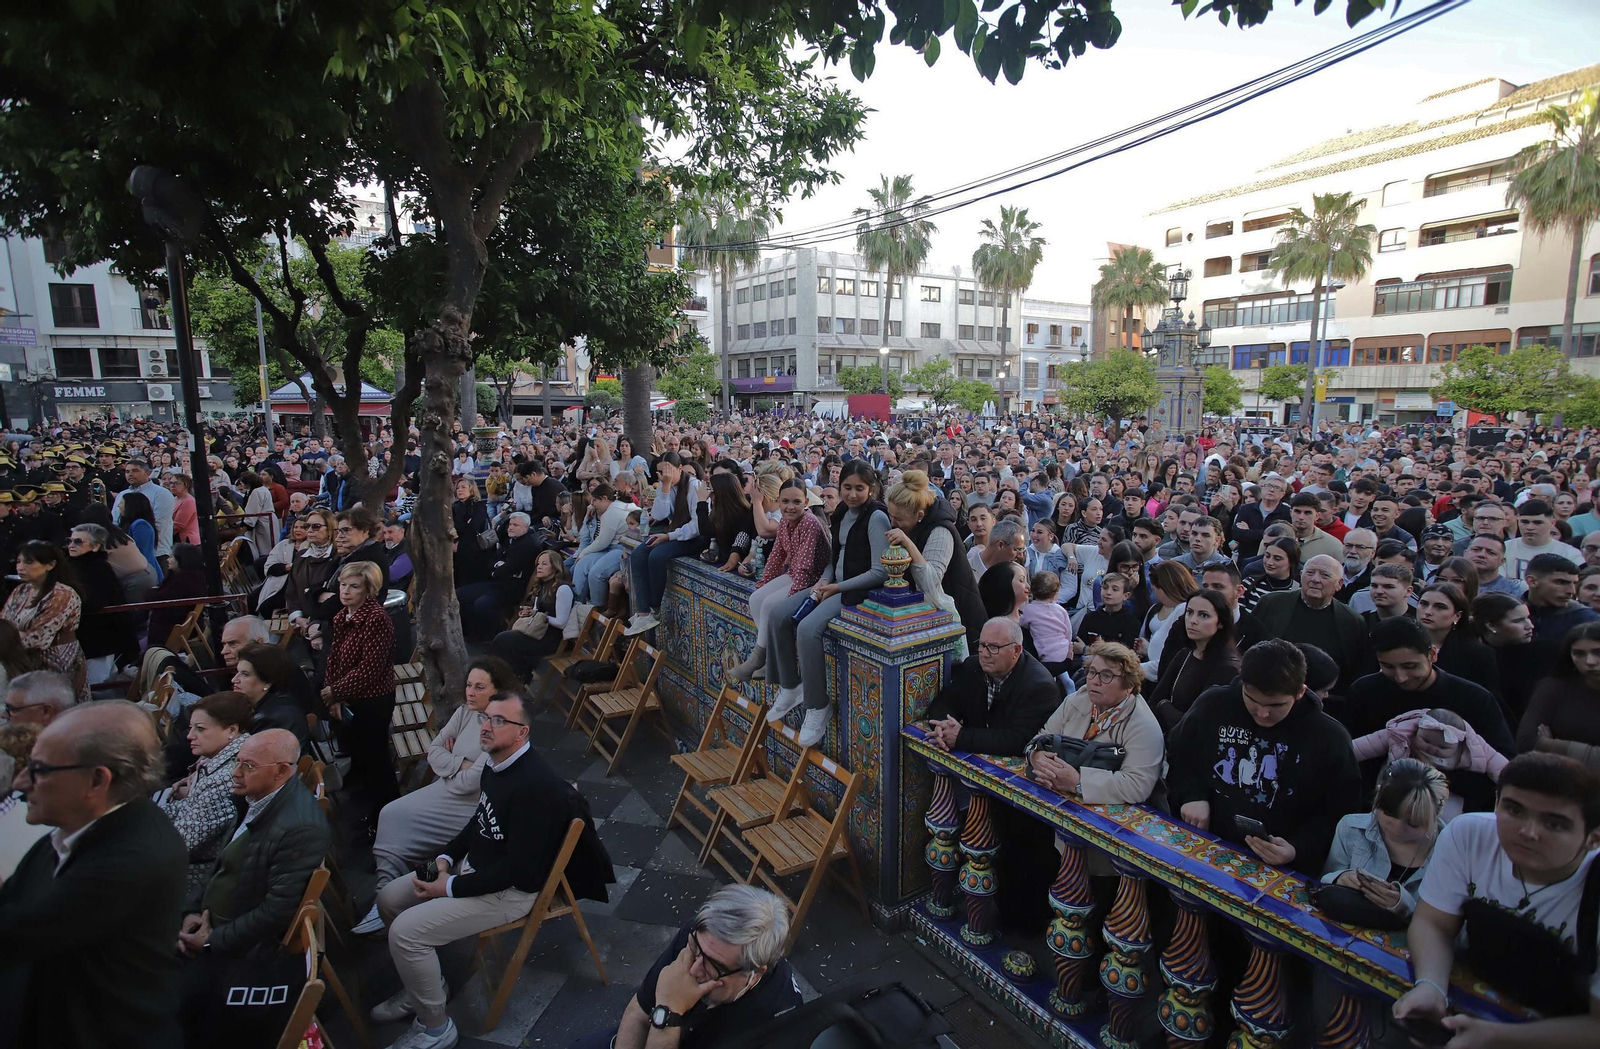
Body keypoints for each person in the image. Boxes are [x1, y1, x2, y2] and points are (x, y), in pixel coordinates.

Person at [368, 690, 612, 1049]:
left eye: (499, 721)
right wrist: (444, 860)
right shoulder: (495, 765)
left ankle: (436, 1028)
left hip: (506, 894)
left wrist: (447, 887)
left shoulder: (535, 789)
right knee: (388, 897)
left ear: (522, 733)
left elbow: (521, 872)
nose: (486, 727)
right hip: (469, 870)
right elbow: (478, 822)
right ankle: (424, 986)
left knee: (405, 933)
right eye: (486, 718)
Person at [0, 700, 187, 1049]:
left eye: (38, 770)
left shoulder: (132, 860)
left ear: (97, 780)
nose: (22, 782)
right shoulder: (86, 824)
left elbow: (16, 934)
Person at [1392, 753, 1600, 1038]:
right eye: (1514, 810)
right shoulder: (1468, 835)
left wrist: (1496, 1039)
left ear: (1594, 837)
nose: (1528, 832)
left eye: (1554, 824)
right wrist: (1431, 986)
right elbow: (1434, 922)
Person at [178, 729, 331, 1047]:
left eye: (247, 765)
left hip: (239, 950)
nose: (235, 772)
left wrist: (211, 941)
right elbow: (222, 865)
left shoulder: (298, 826)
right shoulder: (257, 799)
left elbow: (277, 911)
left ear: (281, 771)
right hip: (215, 927)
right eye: (237, 762)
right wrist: (191, 911)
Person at [355, 655, 522, 936]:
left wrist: (450, 765)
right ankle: (385, 889)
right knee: (391, 813)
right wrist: (459, 764)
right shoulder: (466, 711)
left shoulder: (502, 727)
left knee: (401, 821)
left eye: (479, 687)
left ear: (499, 690)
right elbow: (433, 751)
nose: (470, 692)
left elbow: (472, 784)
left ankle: (392, 900)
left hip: (470, 806)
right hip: (446, 788)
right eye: (469, 685)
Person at [1167, 638, 1361, 872]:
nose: (1262, 713)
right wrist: (1191, 795)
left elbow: (1339, 811)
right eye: (1252, 700)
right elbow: (1179, 752)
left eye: (1276, 705)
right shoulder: (1213, 703)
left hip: (1277, 863)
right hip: (1205, 841)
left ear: (1300, 692)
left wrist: (1298, 848)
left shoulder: (1331, 738)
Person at [570, 884, 801, 1049]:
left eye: (715, 967)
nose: (693, 969)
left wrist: (669, 1013)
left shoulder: (773, 1024)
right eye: (694, 949)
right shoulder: (703, 939)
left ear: (753, 975)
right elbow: (638, 1012)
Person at [766, 461, 888, 746]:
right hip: (833, 584)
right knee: (777, 615)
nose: (853, 494)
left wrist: (836, 587)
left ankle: (817, 705)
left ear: (871, 489)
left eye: (860, 488)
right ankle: (789, 685)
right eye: (847, 487)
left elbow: (879, 571)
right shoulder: (843, 511)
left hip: (857, 593)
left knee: (808, 629)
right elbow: (836, 558)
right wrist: (824, 580)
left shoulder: (876, 517)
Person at [1341, 617, 1516, 814]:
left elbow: (1504, 766)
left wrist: (1438, 774)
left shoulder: (1474, 699)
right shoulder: (1364, 692)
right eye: (1388, 667)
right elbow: (1350, 757)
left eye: (1410, 666)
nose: (1400, 677)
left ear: (1432, 654)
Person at [1027, 641, 1164, 804]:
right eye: (1092, 672)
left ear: (1129, 684)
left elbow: (1136, 785)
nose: (1094, 681)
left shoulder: (1143, 725)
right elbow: (1039, 739)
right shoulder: (1076, 700)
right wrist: (1036, 757)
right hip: (1056, 797)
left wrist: (1078, 783)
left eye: (1106, 675)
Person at [1321, 758, 1448, 923]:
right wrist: (1340, 878)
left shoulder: (1451, 854)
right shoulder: (1351, 828)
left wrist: (1404, 906)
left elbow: (1452, 932)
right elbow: (1322, 882)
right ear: (1378, 797)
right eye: (1389, 813)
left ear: (1435, 816)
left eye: (1412, 824)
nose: (1396, 827)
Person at [324, 560, 399, 824]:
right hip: (349, 696)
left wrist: (334, 691)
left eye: (354, 586)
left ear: (369, 590)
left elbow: (369, 670)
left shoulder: (377, 620)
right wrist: (334, 692)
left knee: (377, 756)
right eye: (343, 585)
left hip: (374, 699)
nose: (345, 591)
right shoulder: (342, 616)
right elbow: (333, 657)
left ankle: (386, 811)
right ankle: (364, 798)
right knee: (359, 751)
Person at [880, 470, 986, 655]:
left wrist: (908, 543)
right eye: (891, 516)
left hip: (960, 624)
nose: (893, 522)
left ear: (919, 515)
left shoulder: (940, 531)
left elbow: (930, 582)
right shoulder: (915, 523)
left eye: (898, 519)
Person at [732, 479, 827, 682]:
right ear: (778, 501)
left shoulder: (810, 523)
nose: (790, 507)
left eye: (796, 502)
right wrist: (765, 582)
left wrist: (790, 599)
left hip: (813, 580)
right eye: (785, 501)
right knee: (757, 599)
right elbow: (777, 555)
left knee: (770, 604)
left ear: (806, 502)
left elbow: (806, 566)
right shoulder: (784, 521)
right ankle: (768, 655)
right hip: (796, 574)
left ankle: (759, 658)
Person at [159, 690, 252, 895]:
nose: (189, 735)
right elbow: (189, 809)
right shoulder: (222, 758)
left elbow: (178, 844)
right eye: (191, 727)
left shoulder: (226, 777)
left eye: (199, 729)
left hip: (203, 880)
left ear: (231, 730)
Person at [924, 617, 1058, 757]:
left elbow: (1020, 741)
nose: (985, 654)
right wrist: (942, 727)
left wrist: (961, 737)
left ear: (1016, 651)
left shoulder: (1039, 687)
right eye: (982, 645)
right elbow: (945, 702)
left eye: (994, 647)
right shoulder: (972, 667)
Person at [1254, 554, 1366, 692]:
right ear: (1301, 575)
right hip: (1270, 687)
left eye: (1325, 575)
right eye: (1310, 573)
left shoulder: (1351, 620)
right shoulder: (1271, 603)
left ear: (1339, 584)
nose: (1315, 579)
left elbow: (1355, 666)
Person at [624, 451, 705, 637]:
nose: (662, 476)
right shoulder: (665, 485)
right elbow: (660, 514)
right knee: (638, 554)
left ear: (680, 469)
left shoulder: (695, 486)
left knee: (657, 556)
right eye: (660, 473)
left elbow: (697, 525)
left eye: (667, 472)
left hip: (692, 537)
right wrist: (666, 486)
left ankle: (654, 607)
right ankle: (644, 612)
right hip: (673, 532)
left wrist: (669, 537)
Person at [3, 540, 88, 702]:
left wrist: (11, 637)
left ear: (50, 565)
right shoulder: (21, 590)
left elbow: (40, 637)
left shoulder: (63, 594)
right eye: (19, 562)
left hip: (56, 660)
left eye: (29, 562)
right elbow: (4, 624)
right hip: (20, 659)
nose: (20, 567)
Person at [1149, 588, 1242, 734]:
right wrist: (1163, 705)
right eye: (1189, 612)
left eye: (1204, 615)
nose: (1193, 621)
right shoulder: (1185, 654)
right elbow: (1154, 702)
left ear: (1220, 623)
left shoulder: (1227, 668)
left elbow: (1195, 724)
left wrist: (1164, 704)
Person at [1518, 622, 1600, 772]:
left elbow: (1538, 744)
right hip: (1564, 781)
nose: (1590, 662)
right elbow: (1526, 742)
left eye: (1598, 652)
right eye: (1579, 654)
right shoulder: (1553, 687)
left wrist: (1550, 745)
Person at [490, 549, 577, 680]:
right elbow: (537, 611)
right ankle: (511, 675)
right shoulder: (543, 585)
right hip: (538, 630)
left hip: (551, 637)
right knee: (503, 639)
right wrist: (528, 613)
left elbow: (561, 622)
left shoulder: (562, 589)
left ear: (555, 567)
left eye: (544, 564)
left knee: (503, 640)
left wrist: (538, 615)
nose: (539, 567)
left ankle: (513, 676)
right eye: (538, 564)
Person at [457, 511, 540, 640]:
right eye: (510, 524)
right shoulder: (509, 540)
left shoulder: (527, 545)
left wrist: (497, 569)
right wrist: (497, 567)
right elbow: (492, 560)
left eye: (515, 525)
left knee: (482, 603)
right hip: (498, 583)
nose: (511, 527)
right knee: (460, 594)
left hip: (511, 589)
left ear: (526, 527)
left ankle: (488, 635)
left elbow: (509, 568)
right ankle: (470, 631)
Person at [232, 643, 311, 750]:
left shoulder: (271, 719)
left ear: (267, 682)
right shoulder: (268, 706)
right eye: (237, 672)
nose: (234, 680)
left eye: (245, 674)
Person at [1240, 535, 1299, 613]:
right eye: (1267, 556)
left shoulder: (1297, 592)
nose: (1269, 562)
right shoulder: (1249, 583)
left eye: (1277, 559)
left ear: (1291, 562)